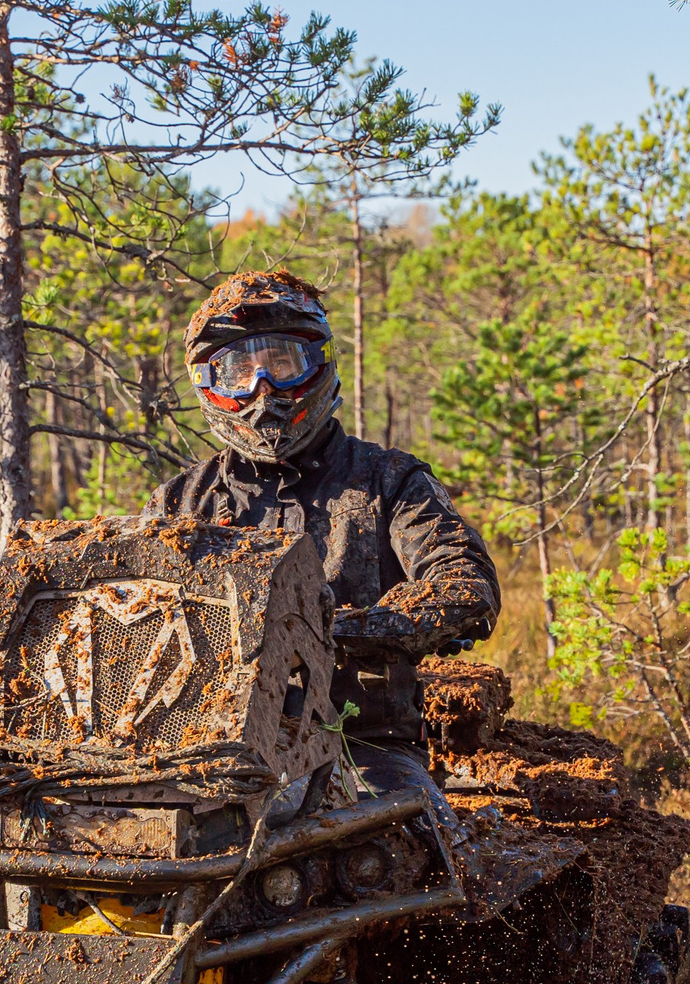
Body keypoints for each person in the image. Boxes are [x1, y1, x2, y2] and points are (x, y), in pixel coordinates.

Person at [145, 270, 500, 824]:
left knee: (418, 850)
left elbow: (467, 586)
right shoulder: (181, 503)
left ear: (318, 363)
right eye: (239, 371)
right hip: (202, 751)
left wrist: (329, 631)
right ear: (210, 383)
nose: (263, 388)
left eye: (283, 363)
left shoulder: (389, 481)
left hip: (360, 741)